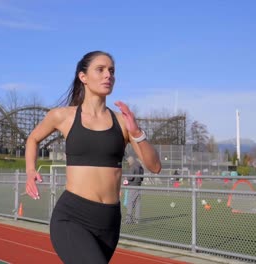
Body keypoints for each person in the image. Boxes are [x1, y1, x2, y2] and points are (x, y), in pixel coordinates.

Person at [25, 51, 161, 263]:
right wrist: (30, 171)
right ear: (83, 77)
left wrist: (137, 133)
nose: (108, 75)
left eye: (112, 71)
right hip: (72, 217)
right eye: (101, 69)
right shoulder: (64, 116)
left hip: (109, 222)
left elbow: (155, 166)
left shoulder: (123, 122)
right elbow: (33, 139)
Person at [124, 156, 144, 224]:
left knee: (130, 203)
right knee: (138, 204)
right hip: (139, 186)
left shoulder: (133, 167)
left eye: (128, 161)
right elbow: (142, 178)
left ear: (131, 161)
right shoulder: (141, 167)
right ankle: (137, 219)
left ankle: (128, 220)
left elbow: (130, 177)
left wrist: (126, 178)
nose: (128, 163)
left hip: (132, 187)